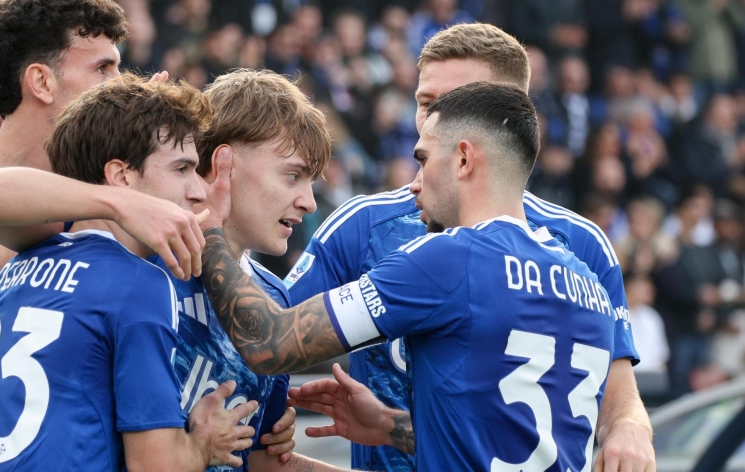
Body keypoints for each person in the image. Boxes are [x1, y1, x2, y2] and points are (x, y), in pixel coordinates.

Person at [284, 23, 654, 471]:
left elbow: (620, 397)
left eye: (455, 101)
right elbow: (274, 340)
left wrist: (632, 427)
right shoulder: (362, 224)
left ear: (507, 112)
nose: (433, 118)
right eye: (425, 103)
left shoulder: (581, 242)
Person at [196, 82, 616, 472]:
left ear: (464, 159)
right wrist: (391, 427)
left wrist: (209, 228)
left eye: (423, 160)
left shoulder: (450, 259)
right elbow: (507, 439)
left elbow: (269, 342)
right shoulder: (587, 282)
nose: (413, 184)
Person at [0, 70, 342, 472]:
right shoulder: (135, 263)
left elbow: (260, 460)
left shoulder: (270, 300)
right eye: (293, 175)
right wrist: (118, 202)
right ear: (224, 162)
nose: (309, 201)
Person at [0, 0, 206, 472]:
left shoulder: (115, 189)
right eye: (104, 69)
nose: (121, 82)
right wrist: (103, 195)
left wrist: (140, 146)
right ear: (40, 82)